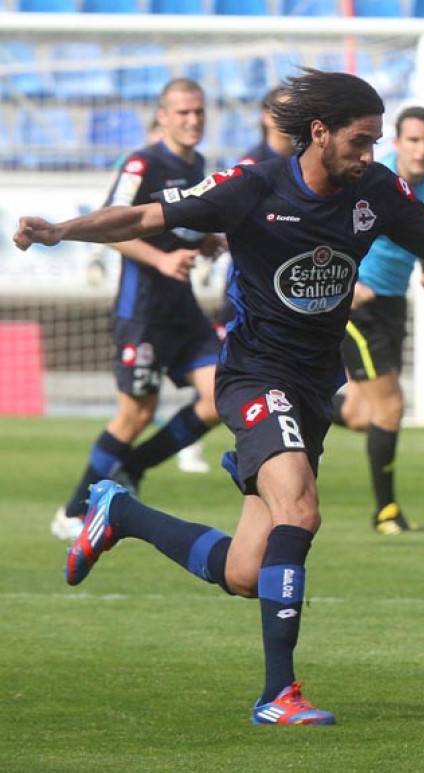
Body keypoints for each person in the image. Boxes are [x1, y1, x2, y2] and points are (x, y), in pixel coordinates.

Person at [13, 68, 424, 726]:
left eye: (376, 143)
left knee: (248, 570)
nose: (372, 156)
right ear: (319, 132)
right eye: (361, 142)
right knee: (301, 510)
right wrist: (61, 230)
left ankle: (120, 511)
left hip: (312, 387)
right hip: (254, 375)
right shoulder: (252, 186)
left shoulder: (378, 191)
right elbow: (145, 214)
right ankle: (277, 693)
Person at [50, 78, 223, 542]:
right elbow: (113, 225)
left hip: (182, 310)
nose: (192, 120)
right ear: (162, 116)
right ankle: (72, 511)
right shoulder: (142, 162)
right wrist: (163, 258)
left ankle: (133, 467)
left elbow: (178, 226)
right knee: (135, 413)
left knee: (219, 396)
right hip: (143, 310)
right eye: (183, 112)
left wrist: (205, 239)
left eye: (199, 112)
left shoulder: (199, 165)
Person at [333, 105, 424, 535]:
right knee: (392, 405)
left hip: (393, 304)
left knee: (366, 415)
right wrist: (346, 281)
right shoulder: (371, 181)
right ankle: (385, 511)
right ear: (397, 142)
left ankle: (293, 400)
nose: (422, 150)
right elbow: (333, 230)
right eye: (414, 140)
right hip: (355, 303)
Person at [213, 86, 294, 337]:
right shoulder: (251, 166)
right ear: (266, 116)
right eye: (285, 110)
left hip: (293, 286)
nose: (293, 116)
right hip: (251, 289)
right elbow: (228, 220)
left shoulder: (306, 163)